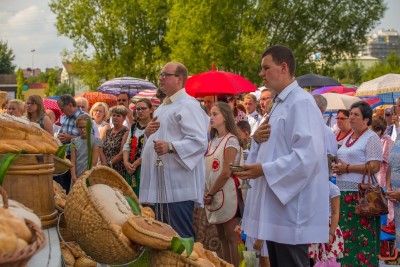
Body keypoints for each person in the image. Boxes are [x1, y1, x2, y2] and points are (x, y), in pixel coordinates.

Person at [235, 45, 329, 266]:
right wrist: (256, 141)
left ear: (283, 67)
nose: (261, 74)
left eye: (266, 68)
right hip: (277, 205)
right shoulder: (280, 104)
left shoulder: (301, 103)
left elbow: (309, 156)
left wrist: (264, 169)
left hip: (291, 209)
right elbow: (275, 147)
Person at [140, 62, 209, 238]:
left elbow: (199, 141)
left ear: (179, 78)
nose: (160, 79)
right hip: (162, 183)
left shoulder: (188, 105)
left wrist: (170, 147)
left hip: (177, 186)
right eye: (160, 75)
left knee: (180, 237)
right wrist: (147, 134)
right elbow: (160, 135)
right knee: (165, 238)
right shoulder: (164, 106)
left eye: (165, 75)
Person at [331, 101, 382, 266]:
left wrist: (347, 168)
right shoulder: (349, 138)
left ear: (366, 119)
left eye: (355, 115)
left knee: (362, 239)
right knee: (345, 239)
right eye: (350, 114)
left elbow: (374, 166)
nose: (351, 117)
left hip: (361, 196)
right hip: (344, 195)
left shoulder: (371, 137)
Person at [203, 102, 243, 266]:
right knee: (222, 238)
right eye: (210, 114)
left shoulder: (231, 141)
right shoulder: (213, 141)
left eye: (215, 114)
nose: (211, 117)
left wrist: (210, 192)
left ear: (225, 117)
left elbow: (226, 171)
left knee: (232, 237)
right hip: (215, 193)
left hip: (227, 193)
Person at [122, 98, 153, 196]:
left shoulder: (153, 127)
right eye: (138, 109)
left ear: (151, 110)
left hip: (145, 167)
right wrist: (126, 162)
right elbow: (127, 146)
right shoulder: (134, 127)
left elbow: (150, 150)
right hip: (131, 168)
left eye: (143, 109)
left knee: (144, 196)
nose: (140, 111)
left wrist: (135, 164)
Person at [308, 180, 343, 263]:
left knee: (328, 259)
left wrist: (331, 233)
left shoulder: (332, 188)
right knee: (313, 258)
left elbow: (335, 213)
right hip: (313, 226)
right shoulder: (309, 186)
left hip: (328, 227)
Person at [70, 114, 102, 185]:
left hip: (88, 175)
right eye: (80, 127)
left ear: (89, 126)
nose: (83, 130)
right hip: (76, 175)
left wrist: (82, 177)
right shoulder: (74, 141)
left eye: (85, 127)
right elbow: (72, 161)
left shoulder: (95, 141)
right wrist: (73, 176)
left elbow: (93, 162)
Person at [102, 105, 129, 177]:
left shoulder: (126, 132)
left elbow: (122, 152)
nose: (115, 117)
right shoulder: (108, 132)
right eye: (113, 115)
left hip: (118, 169)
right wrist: (104, 164)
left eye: (118, 116)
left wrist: (110, 164)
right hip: (105, 168)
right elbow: (101, 149)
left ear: (124, 118)